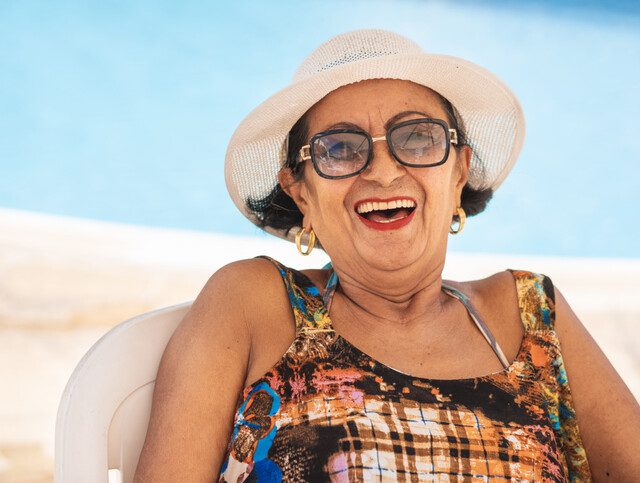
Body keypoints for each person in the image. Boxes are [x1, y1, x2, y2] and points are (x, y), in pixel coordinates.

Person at [134, 29, 640, 482]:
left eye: (416, 138)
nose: (381, 170)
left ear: (460, 171)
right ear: (300, 192)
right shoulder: (252, 304)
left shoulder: (533, 312)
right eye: (339, 148)